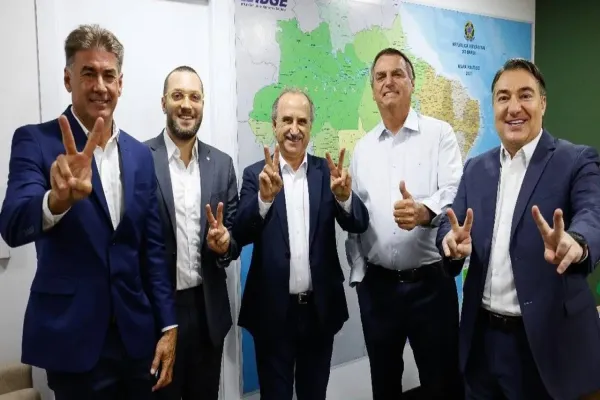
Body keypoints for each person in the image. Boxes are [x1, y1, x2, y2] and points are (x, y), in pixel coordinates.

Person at [0, 24, 177, 399]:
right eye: (88, 73)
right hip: (73, 339)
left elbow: (153, 250)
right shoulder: (36, 140)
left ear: (120, 84)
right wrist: (57, 201)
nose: (100, 85)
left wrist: (168, 326)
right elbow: (12, 224)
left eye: (109, 75)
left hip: (136, 339)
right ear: (68, 79)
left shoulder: (140, 155)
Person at [437, 58, 600, 400]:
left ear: (543, 103)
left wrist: (577, 240)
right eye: (503, 97)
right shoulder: (475, 168)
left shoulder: (576, 160)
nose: (514, 108)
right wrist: (450, 242)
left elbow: (593, 212)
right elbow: (450, 224)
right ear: (493, 106)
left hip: (543, 346)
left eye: (525, 95)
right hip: (481, 342)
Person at [234, 88, 369, 400]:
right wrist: (263, 200)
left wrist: (345, 197)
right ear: (274, 125)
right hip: (272, 313)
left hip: (319, 313)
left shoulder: (327, 173)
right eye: (287, 120)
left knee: (314, 394)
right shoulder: (256, 175)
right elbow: (239, 233)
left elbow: (359, 223)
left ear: (310, 127)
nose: (294, 129)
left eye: (302, 121)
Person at [345, 47, 464, 399]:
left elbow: (455, 191)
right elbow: (357, 218)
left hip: (431, 287)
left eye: (397, 74)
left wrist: (425, 212)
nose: (389, 82)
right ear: (373, 90)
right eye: (380, 77)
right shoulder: (363, 149)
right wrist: (360, 274)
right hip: (378, 291)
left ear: (412, 83)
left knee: (442, 384)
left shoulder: (439, 134)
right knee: (384, 384)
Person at [146, 65, 239, 400]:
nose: (186, 105)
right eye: (178, 96)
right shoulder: (140, 159)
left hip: (207, 312)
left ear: (202, 103)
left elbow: (234, 239)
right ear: (164, 102)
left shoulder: (222, 164)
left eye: (194, 97)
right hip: (158, 315)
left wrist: (224, 244)